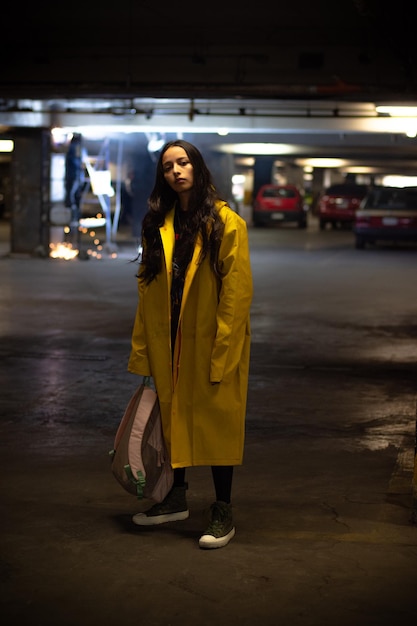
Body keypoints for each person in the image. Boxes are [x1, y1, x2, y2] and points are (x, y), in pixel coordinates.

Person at [127, 140, 253, 549]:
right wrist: (144, 348)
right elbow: (146, 292)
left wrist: (225, 350)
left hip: (211, 337)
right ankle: (175, 496)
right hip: (169, 337)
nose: (176, 171)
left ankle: (222, 508)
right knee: (171, 418)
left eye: (183, 163)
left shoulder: (225, 222)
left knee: (217, 421)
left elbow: (236, 296)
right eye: (167, 166)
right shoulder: (157, 223)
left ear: (198, 168)